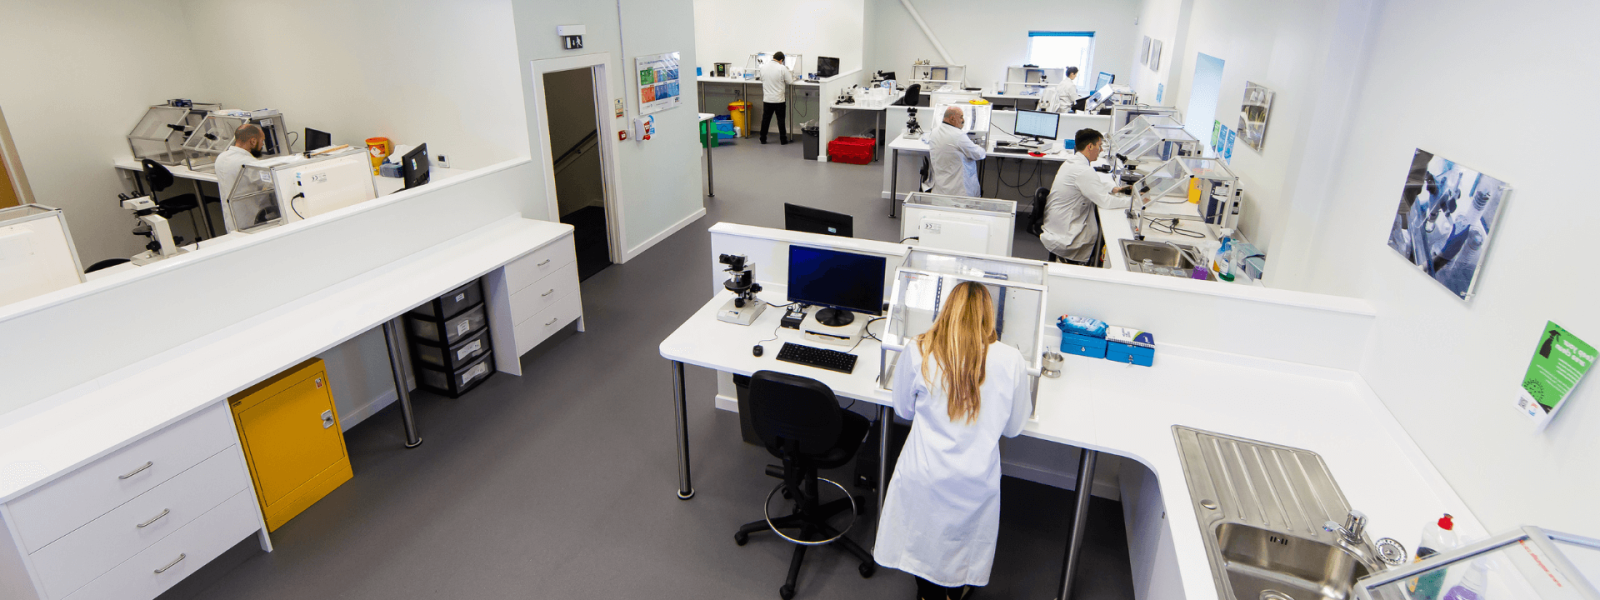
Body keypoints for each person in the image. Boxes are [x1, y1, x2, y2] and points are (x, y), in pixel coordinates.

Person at [875, 281, 1032, 600]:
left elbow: (903, 408)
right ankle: (948, 592)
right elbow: (1014, 428)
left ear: (946, 309)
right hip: (973, 480)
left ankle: (928, 593)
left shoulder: (919, 349)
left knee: (925, 543)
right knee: (957, 548)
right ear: (990, 317)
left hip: (925, 474)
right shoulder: (1010, 359)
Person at [1040, 128, 1132, 264]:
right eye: (1099, 146)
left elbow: (1090, 185)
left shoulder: (1072, 162)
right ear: (1090, 146)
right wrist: (1132, 202)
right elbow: (1105, 202)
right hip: (1065, 231)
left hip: (1056, 221)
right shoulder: (1083, 171)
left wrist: (1113, 188)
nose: (1101, 150)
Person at [927, 106, 986, 197]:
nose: (963, 120)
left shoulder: (934, 132)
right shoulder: (958, 135)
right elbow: (978, 154)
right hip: (958, 191)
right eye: (961, 117)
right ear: (952, 118)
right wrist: (980, 147)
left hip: (940, 189)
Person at [215, 123, 266, 201]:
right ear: (253, 141)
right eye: (262, 141)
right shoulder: (249, 163)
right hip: (251, 210)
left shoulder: (221, 157)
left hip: (229, 210)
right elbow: (269, 183)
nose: (262, 144)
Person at [759, 52, 796, 144]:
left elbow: (761, 79)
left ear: (773, 57)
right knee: (781, 120)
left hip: (767, 99)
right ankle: (783, 140)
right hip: (779, 100)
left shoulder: (763, 67)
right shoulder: (782, 68)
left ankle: (762, 138)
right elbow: (790, 81)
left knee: (765, 119)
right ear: (781, 60)